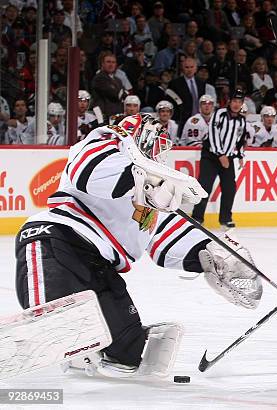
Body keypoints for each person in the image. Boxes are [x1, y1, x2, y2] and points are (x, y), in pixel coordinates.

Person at [13, 113, 262, 379]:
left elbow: (165, 235)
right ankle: (68, 341)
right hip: (57, 242)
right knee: (52, 323)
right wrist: (144, 179)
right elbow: (87, 174)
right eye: (156, 143)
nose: (159, 153)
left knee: (126, 355)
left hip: (101, 268)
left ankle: (82, 354)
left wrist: (212, 254)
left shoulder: (153, 189)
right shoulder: (102, 143)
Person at [191, 89, 248, 228]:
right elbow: (213, 134)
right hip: (211, 156)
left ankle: (225, 219)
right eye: (234, 101)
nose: (236, 104)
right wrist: (220, 154)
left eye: (239, 102)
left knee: (230, 188)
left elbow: (240, 140)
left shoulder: (241, 120)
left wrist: (240, 155)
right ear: (229, 101)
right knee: (205, 186)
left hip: (227, 158)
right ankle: (197, 218)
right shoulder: (219, 114)